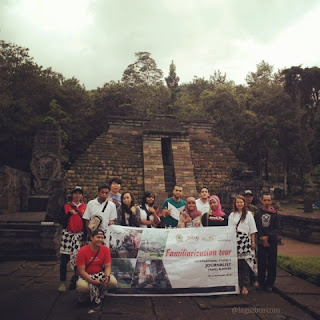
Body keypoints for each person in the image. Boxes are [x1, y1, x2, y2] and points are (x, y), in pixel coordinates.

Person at [76, 229, 117, 306]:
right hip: (86, 275)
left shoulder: (105, 249)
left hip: (99, 274)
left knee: (113, 282)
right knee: (82, 286)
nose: (100, 240)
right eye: (98, 237)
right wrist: (92, 281)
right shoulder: (82, 251)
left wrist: (107, 277)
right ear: (91, 238)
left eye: (102, 238)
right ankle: (85, 295)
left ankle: (100, 293)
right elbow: (81, 271)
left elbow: (108, 266)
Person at [58, 186, 87, 292]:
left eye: (80, 193)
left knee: (78, 260)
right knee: (64, 259)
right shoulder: (66, 207)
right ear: (72, 194)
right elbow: (60, 220)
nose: (77, 195)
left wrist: (85, 235)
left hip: (79, 236)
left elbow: (86, 223)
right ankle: (62, 282)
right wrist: (68, 214)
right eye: (75, 193)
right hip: (68, 235)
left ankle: (75, 280)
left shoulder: (85, 207)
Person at [229, 195, 257, 295]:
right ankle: (237, 284)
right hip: (235, 241)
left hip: (245, 241)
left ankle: (245, 285)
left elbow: (252, 229)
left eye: (241, 202)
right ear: (235, 204)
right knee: (236, 264)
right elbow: (229, 230)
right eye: (237, 202)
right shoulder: (232, 215)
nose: (239, 204)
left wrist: (253, 242)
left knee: (245, 264)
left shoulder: (249, 214)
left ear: (244, 203)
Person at [255, 193, 280, 292]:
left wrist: (268, 237)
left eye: (268, 200)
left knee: (272, 263)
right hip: (261, 242)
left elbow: (277, 229)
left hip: (272, 242)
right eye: (265, 200)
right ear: (261, 201)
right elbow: (257, 227)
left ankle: (270, 283)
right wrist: (262, 238)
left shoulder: (275, 214)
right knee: (261, 262)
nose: (267, 202)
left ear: (271, 201)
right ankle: (261, 282)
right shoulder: (258, 214)